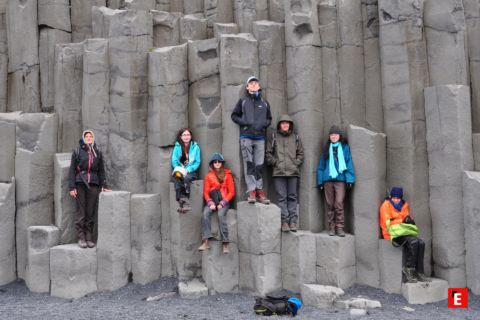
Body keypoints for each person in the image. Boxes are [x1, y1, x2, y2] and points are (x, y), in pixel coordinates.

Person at [231, 76, 272, 204]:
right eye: (251, 83)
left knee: (259, 165)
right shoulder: (243, 101)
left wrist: (263, 124)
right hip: (246, 137)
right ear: (247, 87)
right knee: (249, 165)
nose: (254, 85)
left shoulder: (265, 103)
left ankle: (260, 191)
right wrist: (245, 122)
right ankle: (252, 191)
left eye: (256, 83)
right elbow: (234, 115)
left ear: (259, 87)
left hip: (260, 137)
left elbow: (269, 119)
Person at [68, 130, 111, 248]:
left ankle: (89, 237)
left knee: (90, 212)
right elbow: (72, 170)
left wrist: (103, 186)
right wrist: (72, 187)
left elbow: (101, 170)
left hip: (93, 183)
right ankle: (81, 237)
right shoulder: (77, 152)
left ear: (93, 139)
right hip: (80, 183)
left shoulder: (98, 152)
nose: (88, 138)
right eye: (86, 136)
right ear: (83, 138)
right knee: (80, 212)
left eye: (90, 136)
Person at [380, 187, 431, 283]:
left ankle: (419, 271)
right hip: (391, 233)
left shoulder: (404, 205)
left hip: (402, 232)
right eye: (394, 198)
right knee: (414, 241)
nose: (396, 200)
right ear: (391, 197)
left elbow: (406, 218)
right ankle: (409, 269)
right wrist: (403, 220)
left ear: (401, 198)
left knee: (421, 243)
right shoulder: (386, 205)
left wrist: (409, 220)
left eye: (398, 198)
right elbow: (388, 222)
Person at [265, 115, 304, 232]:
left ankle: (293, 222)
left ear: (290, 125)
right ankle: (284, 222)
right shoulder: (273, 137)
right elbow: (268, 154)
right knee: (281, 198)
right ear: (279, 125)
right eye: (283, 123)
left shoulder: (295, 137)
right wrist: (275, 163)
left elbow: (301, 153)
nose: (285, 125)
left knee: (292, 197)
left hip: (293, 172)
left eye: (287, 123)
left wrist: (296, 163)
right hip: (279, 172)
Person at [317, 125, 355, 237]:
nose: (334, 136)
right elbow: (321, 166)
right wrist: (320, 182)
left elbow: (348, 163)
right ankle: (332, 227)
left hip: (340, 180)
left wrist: (350, 180)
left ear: (339, 135)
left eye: (336, 134)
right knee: (330, 204)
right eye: (332, 135)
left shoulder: (344, 148)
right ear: (329, 136)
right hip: (328, 180)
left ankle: (340, 227)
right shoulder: (326, 148)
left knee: (339, 203)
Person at [199, 153, 235, 254]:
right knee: (205, 213)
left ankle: (225, 243)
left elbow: (232, 192)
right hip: (212, 201)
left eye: (219, 162)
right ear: (212, 164)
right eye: (215, 162)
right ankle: (205, 241)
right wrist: (210, 203)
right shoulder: (209, 176)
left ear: (222, 163)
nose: (217, 163)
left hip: (224, 201)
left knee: (220, 214)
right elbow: (206, 192)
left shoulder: (228, 175)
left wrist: (223, 203)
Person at [172, 128, 201, 213]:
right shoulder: (177, 147)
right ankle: (183, 203)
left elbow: (197, 162)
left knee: (186, 178)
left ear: (191, 136)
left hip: (191, 172)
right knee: (176, 177)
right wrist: (180, 170)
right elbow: (174, 161)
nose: (186, 137)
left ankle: (184, 202)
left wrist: (188, 170)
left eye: (188, 135)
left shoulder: (195, 147)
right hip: (180, 170)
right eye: (184, 135)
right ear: (180, 137)